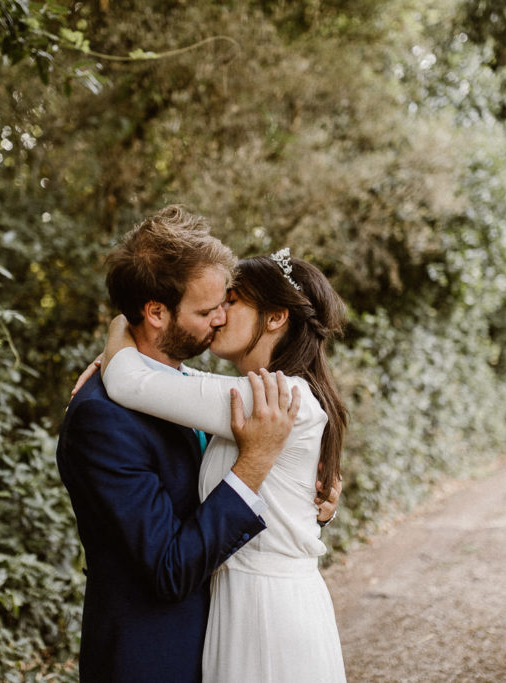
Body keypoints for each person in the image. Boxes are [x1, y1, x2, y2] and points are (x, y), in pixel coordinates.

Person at [57, 205, 308, 683]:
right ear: (155, 312)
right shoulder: (101, 420)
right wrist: (255, 462)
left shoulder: (185, 388)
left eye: (225, 302)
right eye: (206, 310)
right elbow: (169, 569)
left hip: (222, 647)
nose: (221, 318)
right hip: (152, 659)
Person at [97, 247, 349, 682]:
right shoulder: (261, 394)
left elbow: (129, 380)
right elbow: (163, 379)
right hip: (245, 603)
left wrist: (122, 323)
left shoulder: (274, 400)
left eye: (233, 301)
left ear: (275, 318)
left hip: (268, 615)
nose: (218, 313)